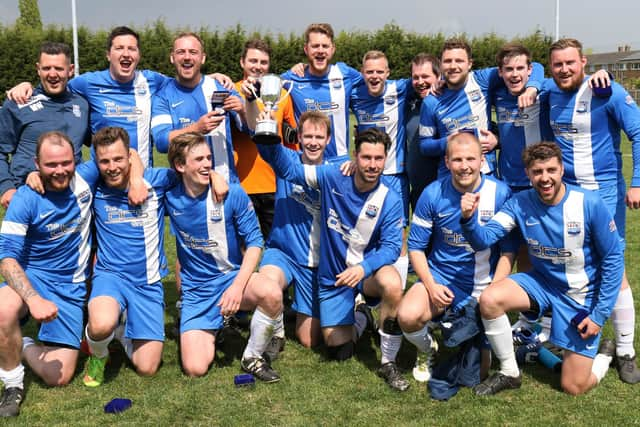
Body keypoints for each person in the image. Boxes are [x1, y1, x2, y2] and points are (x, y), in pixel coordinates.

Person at [461, 141, 623, 396]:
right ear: (528, 174)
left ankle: (604, 355)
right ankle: (509, 372)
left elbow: (613, 259)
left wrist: (598, 316)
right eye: (537, 172)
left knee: (574, 386)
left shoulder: (589, 204)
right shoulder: (519, 203)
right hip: (541, 284)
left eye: (550, 170)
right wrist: (469, 220)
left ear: (561, 170)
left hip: (578, 296)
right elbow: (483, 238)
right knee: (490, 299)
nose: (544, 178)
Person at [260, 127, 408, 391]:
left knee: (392, 283)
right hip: (335, 277)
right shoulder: (333, 176)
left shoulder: (391, 197)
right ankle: (362, 314)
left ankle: (388, 361)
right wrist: (270, 142)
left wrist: (364, 268)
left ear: (386, 159)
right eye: (366, 158)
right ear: (355, 156)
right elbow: (291, 171)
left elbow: (391, 247)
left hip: (366, 273)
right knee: (337, 348)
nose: (372, 165)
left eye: (378, 158)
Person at [542, 38, 640, 383]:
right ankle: (580, 335)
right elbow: (528, 77)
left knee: (615, 267)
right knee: (578, 264)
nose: (564, 69)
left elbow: (639, 131)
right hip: (567, 199)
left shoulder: (605, 91)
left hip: (605, 197)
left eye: (571, 63)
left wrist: (637, 182)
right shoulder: (547, 92)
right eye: (557, 64)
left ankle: (625, 350)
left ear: (583, 62)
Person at [6, 26, 233, 169]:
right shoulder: (87, 83)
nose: (126, 53)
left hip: (143, 173)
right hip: (103, 176)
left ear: (138, 55)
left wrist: (210, 77)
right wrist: (27, 86)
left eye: (131, 49)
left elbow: (185, 79)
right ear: (108, 54)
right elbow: (55, 83)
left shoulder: (152, 81)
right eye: (119, 48)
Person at [397, 132, 514, 385]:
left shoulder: (501, 193)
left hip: (484, 284)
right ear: (447, 162)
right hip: (442, 278)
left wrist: (494, 290)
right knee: (406, 316)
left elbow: (508, 252)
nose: (464, 166)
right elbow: (416, 248)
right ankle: (428, 349)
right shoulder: (432, 193)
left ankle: (471, 334)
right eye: (457, 160)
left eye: (470, 159)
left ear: (483, 160)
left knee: (478, 374)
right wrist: (430, 285)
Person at [165, 132, 283, 382]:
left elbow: (254, 242)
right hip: (197, 291)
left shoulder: (233, 193)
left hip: (230, 279)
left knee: (271, 293)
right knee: (195, 368)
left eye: (209, 158)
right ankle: (218, 325)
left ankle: (252, 356)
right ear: (180, 165)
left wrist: (237, 288)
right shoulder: (168, 193)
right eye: (198, 159)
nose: (207, 164)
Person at [0, 131, 99, 417]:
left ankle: (24, 344)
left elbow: (127, 155)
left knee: (58, 377)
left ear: (75, 160)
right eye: (50, 165)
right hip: (33, 275)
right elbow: (6, 260)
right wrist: (32, 299)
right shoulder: (25, 198)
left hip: (70, 285)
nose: (59, 171)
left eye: (65, 163)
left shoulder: (85, 178)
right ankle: (12, 384)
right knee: (3, 309)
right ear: (37, 164)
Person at [80, 127, 169, 387]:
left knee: (147, 367)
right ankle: (98, 354)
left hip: (148, 281)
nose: (112, 167)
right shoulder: (93, 186)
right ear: (96, 162)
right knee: (99, 325)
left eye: (118, 159)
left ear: (130, 157)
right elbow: (58, 177)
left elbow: (189, 174)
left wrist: (215, 178)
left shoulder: (156, 180)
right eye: (104, 161)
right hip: (111, 276)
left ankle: (119, 331)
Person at [419, 38, 543, 177]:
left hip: (486, 174)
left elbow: (534, 66)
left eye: (459, 61)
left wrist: (532, 88)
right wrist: (448, 142)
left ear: (470, 64)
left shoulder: (482, 80)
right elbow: (424, 146)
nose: (453, 66)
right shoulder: (430, 101)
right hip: (449, 178)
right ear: (440, 64)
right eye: (448, 61)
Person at [258, 111, 329, 351]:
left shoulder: (336, 171)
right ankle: (275, 332)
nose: (313, 142)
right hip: (283, 253)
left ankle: (357, 308)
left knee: (309, 340)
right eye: (307, 136)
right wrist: (261, 117)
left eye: (319, 137)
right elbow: (269, 148)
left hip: (316, 262)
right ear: (298, 137)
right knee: (268, 282)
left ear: (328, 139)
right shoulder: (288, 159)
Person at [350, 50, 413, 289]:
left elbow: (427, 76)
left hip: (393, 175)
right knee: (359, 227)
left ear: (388, 73)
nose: (375, 76)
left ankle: (397, 289)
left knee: (398, 233)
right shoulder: (354, 93)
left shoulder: (400, 89)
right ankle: (360, 288)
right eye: (369, 72)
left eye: (379, 71)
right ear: (362, 73)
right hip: (363, 173)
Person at [0, 41, 90, 208]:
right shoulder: (18, 102)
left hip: (73, 201)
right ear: (38, 69)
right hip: (30, 198)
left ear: (70, 70)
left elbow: (98, 141)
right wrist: (5, 188)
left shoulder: (82, 104)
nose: (53, 74)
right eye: (47, 68)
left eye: (59, 69)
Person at [151, 32, 246, 184]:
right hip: (184, 191)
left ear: (202, 58)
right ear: (172, 58)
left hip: (225, 184)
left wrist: (243, 110)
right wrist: (196, 128)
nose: (187, 57)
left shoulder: (222, 87)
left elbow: (250, 129)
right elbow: (161, 142)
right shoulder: (162, 96)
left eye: (193, 52)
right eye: (181, 52)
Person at [233, 38, 298, 238]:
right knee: (241, 251)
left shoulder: (282, 94)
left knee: (277, 248)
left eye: (263, 62)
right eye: (253, 61)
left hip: (274, 186)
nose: (258, 67)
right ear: (242, 62)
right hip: (240, 186)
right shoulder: (231, 91)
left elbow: (291, 141)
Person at [281, 23, 362, 161]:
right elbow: (265, 86)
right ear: (306, 49)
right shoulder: (292, 78)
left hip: (339, 164)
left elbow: (375, 84)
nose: (320, 50)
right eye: (315, 46)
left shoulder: (346, 74)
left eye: (325, 46)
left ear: (332, 49)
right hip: (304, 165)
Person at [405, 53, 441, 211]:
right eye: (415, 77)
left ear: (438, 76)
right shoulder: (409, 102)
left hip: (445, 191)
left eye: (425, 76)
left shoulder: (450, 102)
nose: (420, 82)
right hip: (418, 191)